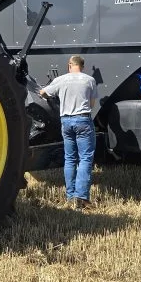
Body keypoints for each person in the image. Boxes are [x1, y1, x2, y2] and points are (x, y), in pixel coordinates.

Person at [40, 55, 99, 209]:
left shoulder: (61, 80)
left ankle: (70, 196)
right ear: (82, 66)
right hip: (83, 120)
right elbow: (92, 104)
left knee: (70, 158)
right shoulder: (89, 80)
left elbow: (43, 93)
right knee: (85, 158)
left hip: (66, 121)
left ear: (69, 65)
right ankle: (82, 197)